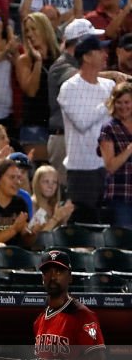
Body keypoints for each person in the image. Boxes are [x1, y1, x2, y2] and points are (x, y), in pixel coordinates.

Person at [58, 34, 115, 223]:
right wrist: (109, 102)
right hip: (82, 169)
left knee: (107, 226)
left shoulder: (109, 85)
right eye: (100, 51)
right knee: (83, 228)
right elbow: (82, 122)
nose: (105, 54)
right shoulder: (70, 88)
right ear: (87, 57)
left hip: (109, 166)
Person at [16, 12, 60, 163]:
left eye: (34, 29)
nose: (30, 34)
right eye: (27, 31)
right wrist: (38, 62)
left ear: (45, 29)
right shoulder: (25, 60)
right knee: (40, 171)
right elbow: (30, 91)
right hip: (34, 125)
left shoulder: (60, 58)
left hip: (57, 126)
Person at [98, 81, 132, 228]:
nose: (123, 107)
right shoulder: (109, 129)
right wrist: (129, 150)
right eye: (119, 102)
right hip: (121, 196)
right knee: (124, 244)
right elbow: (110, 166)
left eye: (127, 102)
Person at [30, 164, 75, 233]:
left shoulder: (56, 206)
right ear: (37, 183)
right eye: (46, 181)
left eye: (54, 182)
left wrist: (64, 219)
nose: (50, 186)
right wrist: (56, 218)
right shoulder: (31, 204)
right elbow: (37, 238)